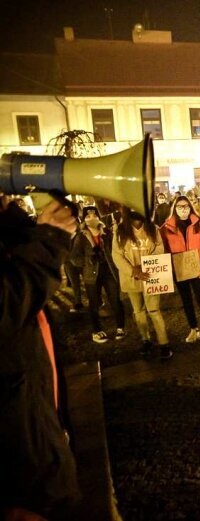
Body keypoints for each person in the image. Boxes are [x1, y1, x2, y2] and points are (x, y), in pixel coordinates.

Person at [1, 196, 81, 519]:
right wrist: (49, 244)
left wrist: (19, 219)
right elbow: (7, 305)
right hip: (20, 483)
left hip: (37, 444)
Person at [160, 196, 200, 349]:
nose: (183, 209)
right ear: (175, 208)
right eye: (179, 206)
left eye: (186, 206)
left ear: (190, 207)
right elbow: (163, 248)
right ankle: (194, 329)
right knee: (186, 301)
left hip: (197, 269)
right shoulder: (166, 228)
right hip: (179, 270)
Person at [112, 207, 171, 359]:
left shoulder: (153, 229)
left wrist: (147, 266)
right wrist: (133, 271)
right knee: (138, 311)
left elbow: (160, 249)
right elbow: (117, 256)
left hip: (151, 277)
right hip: (131, 278)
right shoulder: (120, 231)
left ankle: (164, 343)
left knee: (154, 310)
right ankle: (146, 340)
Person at [70, 206, 126, 344]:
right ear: (84, 219)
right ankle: (97, 331)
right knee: (94, 303)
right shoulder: (81, 236)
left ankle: (120, 327)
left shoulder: (106, 232)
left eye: (94, 215)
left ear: (99, 217)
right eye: (88, 216)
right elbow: (74, 257)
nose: (92, 218)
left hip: (108, 271)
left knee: (115, 300)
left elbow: (116, 249)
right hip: (91, 274)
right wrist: (87, 261)